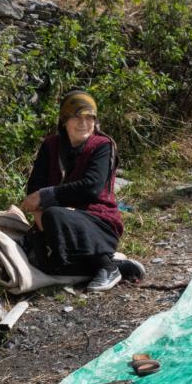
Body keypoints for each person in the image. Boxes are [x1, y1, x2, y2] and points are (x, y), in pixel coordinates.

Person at [19, 89, 144, 291]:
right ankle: (110, 267)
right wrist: (39, 213)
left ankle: (107, 267)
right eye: (77, 117)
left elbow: (91, 187)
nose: (83, 123)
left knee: (54, 215)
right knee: (43, 262)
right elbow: (34, 187)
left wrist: (46, 197)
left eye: (89, 117)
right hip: (56, 221)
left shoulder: (103, 145)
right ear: (64, 121)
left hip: (98, 223)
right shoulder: (50, 146)